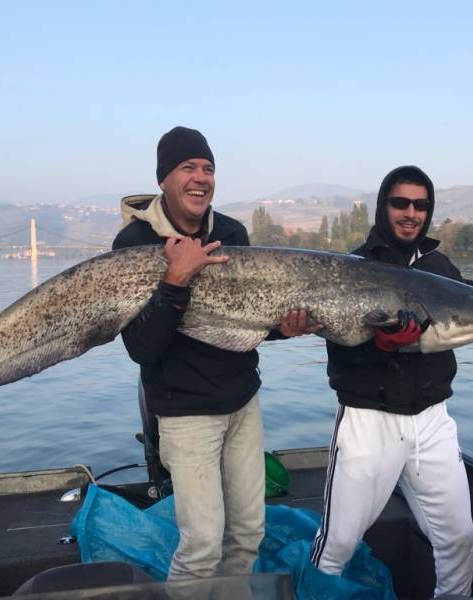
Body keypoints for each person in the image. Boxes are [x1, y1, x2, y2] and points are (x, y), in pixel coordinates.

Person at [113, 126, 317, 581]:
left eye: (208, 168)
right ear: (164, 178)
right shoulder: (132, 245)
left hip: (242, 401)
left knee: (247, 533)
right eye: (188, 167)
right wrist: (175, 281)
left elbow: (250, 323)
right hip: (185, 413)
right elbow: (143, 348)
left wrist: (285, 328)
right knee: (202, 545)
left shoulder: (230, 231)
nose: (200, 178)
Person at [310, 165, 473, 597]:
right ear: (384, 206)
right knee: (337, 544)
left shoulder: (440, 267)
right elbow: (340, 347)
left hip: (432, 421)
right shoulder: (352, 268)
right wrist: (380, 345)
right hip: (368, 421)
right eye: (401, 203)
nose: (411, 213)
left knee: (459, 540)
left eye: (421, 205)